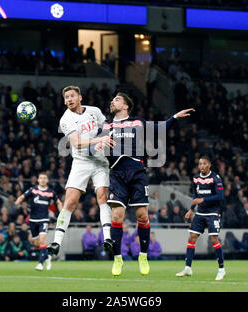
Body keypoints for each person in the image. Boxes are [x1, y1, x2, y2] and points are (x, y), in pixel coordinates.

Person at [94, 92, 194, 276]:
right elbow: (96, 145)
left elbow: (159, 127)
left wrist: (174, 117)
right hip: (116, 173)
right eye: (112, 99)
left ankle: (143, 256)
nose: (112, 101)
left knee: (142, 215)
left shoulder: (137, 122)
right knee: (117, 216)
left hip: (137, 172)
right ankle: (117, 259)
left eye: (116, 99)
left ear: (125, 106)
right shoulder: (107, 125)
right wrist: (98, 144)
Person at [48, 86, 115, 257]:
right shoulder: (66, 119)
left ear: (80, 97)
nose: (69, 99)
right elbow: (76, 143)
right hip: (81, 161)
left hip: (101, 161)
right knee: (70, 201)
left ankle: (107, 238)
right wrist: (98, 140)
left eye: (72, 96)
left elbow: (107, 127)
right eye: (66, 97)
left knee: (102, 195)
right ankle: (56, 242)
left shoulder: (94, 111)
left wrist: (104, 140)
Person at [176, 156, 226, 281]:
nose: (202, 166)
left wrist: (203, 199)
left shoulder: (215, 178)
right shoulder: (196, 178)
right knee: (192, 237)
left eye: (204, 163)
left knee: (214, 238)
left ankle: (221, 269)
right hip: (200, 212)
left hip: (213, 212)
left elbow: (220, 196)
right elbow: (195, 194)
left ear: (209, 165)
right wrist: (191, 209)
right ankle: (188, 267)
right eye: (200, 164)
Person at [16, 172, 62, 270]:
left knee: (42, 241)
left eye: (45, 178)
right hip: (32, 220)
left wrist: (62, 213)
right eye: (41, 178)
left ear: (47, 180)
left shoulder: (51, 192)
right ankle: (48, 256)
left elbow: (58, 202)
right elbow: (23, 196)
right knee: (36, 243)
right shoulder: (33, 190)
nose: (43, 180)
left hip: (44, 220)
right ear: (38, 180)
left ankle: (40, 264)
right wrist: (18, 201)